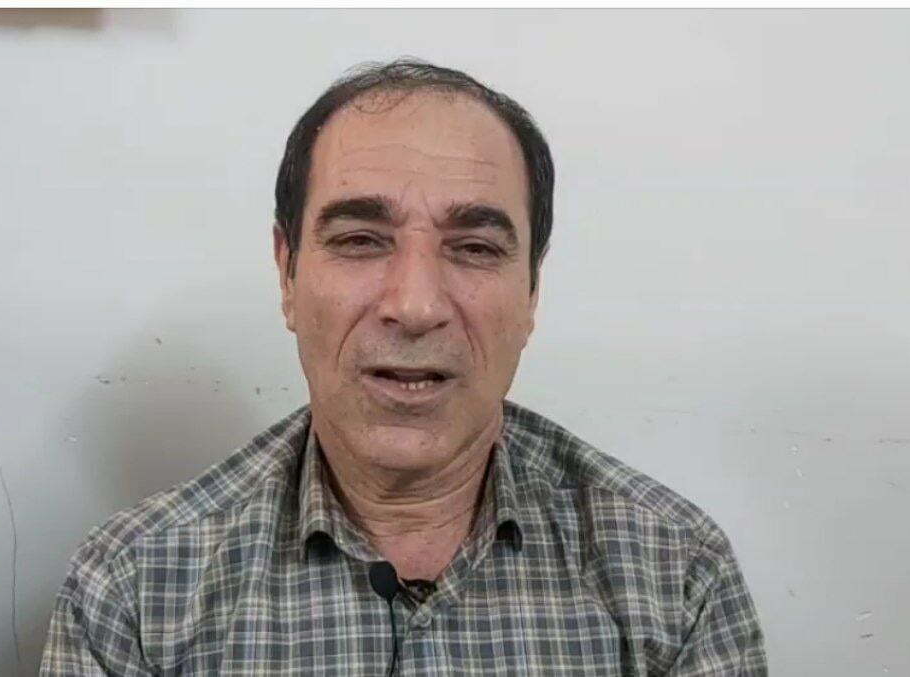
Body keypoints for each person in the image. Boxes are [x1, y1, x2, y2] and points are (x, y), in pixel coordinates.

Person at [41, 59, 768, 676]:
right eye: (361, 240)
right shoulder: (135, 590)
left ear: (531, 293)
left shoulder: (673, 575)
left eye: (475, 248)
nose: (415, 306)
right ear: (287, 273)